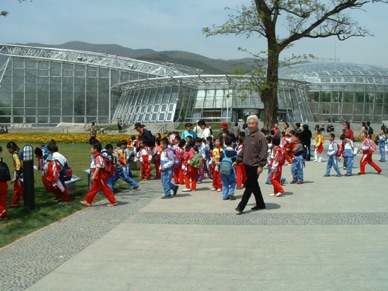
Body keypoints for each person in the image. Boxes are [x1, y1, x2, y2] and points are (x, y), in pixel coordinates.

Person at [234, 115, 267, 214]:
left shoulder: (261, 136)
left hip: (255, 165)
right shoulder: (248, 136)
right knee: (254, 185)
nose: (250, 125)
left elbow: (264, 151)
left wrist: (261, 165)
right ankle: (260, 204)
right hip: (247, 164)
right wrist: (238, 160)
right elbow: (244, 150)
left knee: (249, 185)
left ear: (256, 124)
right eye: (249, 124)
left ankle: (241, 206)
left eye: (252, 124)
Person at [81, 141, 118, 207]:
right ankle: (88, 201)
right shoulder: (96, 156)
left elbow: (98, 167)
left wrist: (94, 175)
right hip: (98, 175)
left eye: (91, 148)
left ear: (95, 149)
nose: (90, 149)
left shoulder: (98, 157)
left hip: (100, 175)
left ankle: (113, 201)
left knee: (105, 188)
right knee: (94, 188)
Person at [219, 136, 237, 200]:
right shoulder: (234, 152)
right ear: (232, 143)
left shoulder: (223, 152)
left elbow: (220, 160)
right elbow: (235, 161)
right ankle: (231, 193)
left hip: (222, 170)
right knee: (233, 182)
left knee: (225, 183)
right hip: (230, 170)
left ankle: (224, 195)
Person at [7, 142, 24, 207]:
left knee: (18, 188)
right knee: (18, 188)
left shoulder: (14, 154)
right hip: (22, 172)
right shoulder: (18, 152)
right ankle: (15, 201)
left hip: (19, 173)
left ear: (11, 148)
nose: (8, 150)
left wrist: (17, 171)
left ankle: (26, 201)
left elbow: (18, 163)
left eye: (8, 149)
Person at [0, 146, 9, 221]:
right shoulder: (2, 161)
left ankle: (2, 210)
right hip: (4, 183)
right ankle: (5, 216)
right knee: (2, 200)